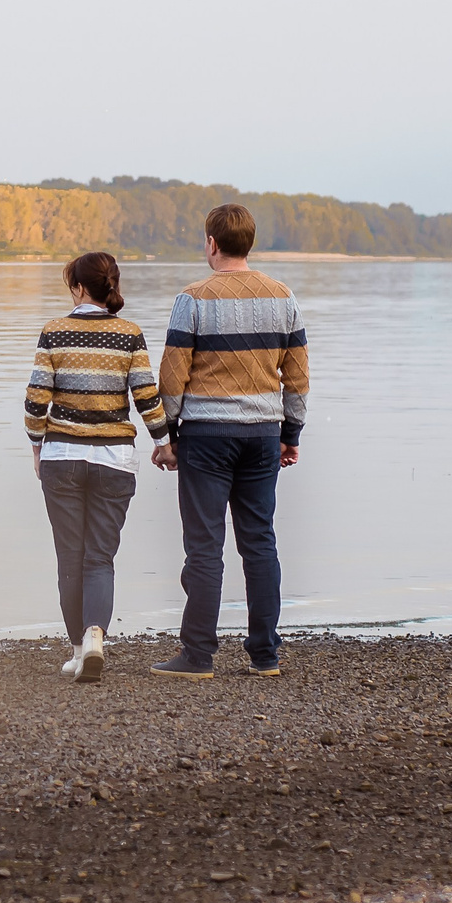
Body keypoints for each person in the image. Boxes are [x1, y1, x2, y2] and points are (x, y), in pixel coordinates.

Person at [148, 203, 308, 678]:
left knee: (204, 547)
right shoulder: (283, 297)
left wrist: (167, 436)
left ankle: (197, 655)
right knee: (259, 543)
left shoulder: (193, 298)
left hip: (207, 436)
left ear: (212, 243)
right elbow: (298, 377)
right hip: (262, 434)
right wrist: (290, 433)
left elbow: (172, 377)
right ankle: (265, 655)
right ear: (249, 244)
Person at [23, 251, 169, 682]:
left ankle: (76, 651)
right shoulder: (130, 334)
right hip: (115, 460)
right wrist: (164, 444)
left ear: (79, 287)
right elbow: (146, 396)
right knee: (100, 557)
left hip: (62, 458)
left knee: (70, 556)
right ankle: (94, 639)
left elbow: (36, 399)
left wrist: (36, 445)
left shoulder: (54, 332)